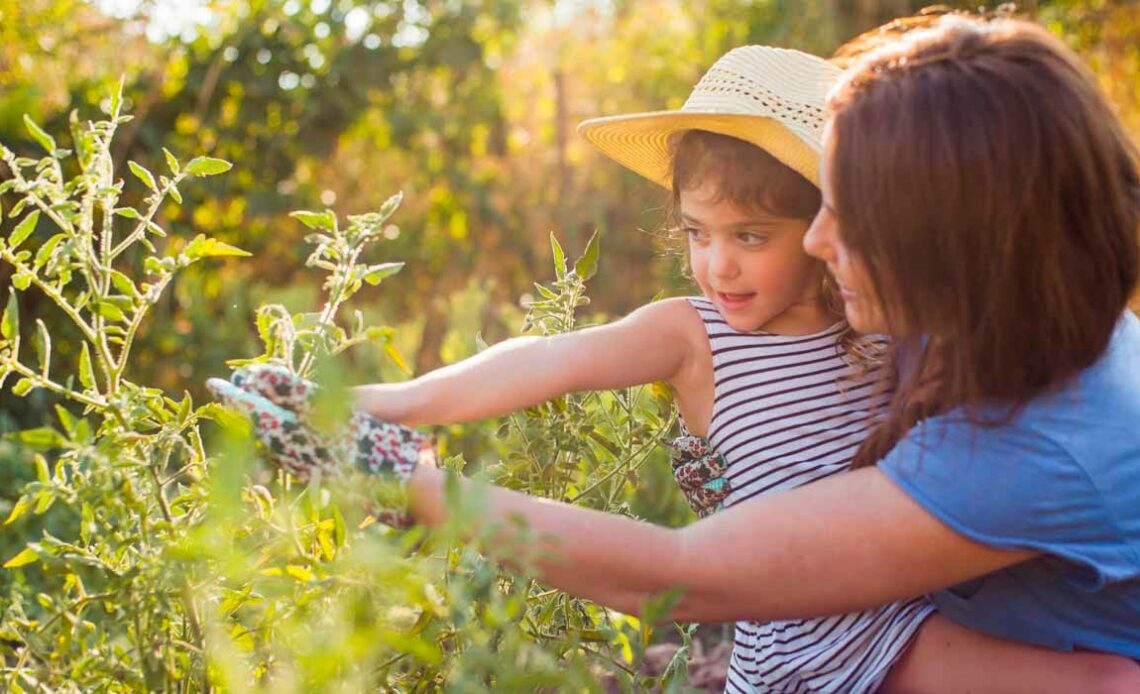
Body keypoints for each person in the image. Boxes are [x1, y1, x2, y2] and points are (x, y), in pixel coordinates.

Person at [209, 17, 1140, 693]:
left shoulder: (1029, 439)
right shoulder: (993, 315)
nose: (817, 244)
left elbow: (678, 573)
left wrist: (406, 482)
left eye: (844, 219)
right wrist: (391, 399)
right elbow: (551, 359)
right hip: (827, 627)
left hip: (885, 628)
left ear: (954, 240)